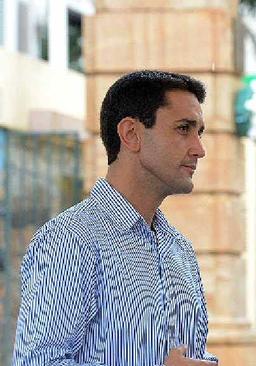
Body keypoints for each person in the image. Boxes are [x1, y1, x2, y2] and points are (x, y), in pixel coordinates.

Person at [12, 70, 219, 365]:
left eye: (199, 132)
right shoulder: (69, 241)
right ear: (131, 134)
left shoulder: (180, 250)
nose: (199, 149)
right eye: (184, 128)